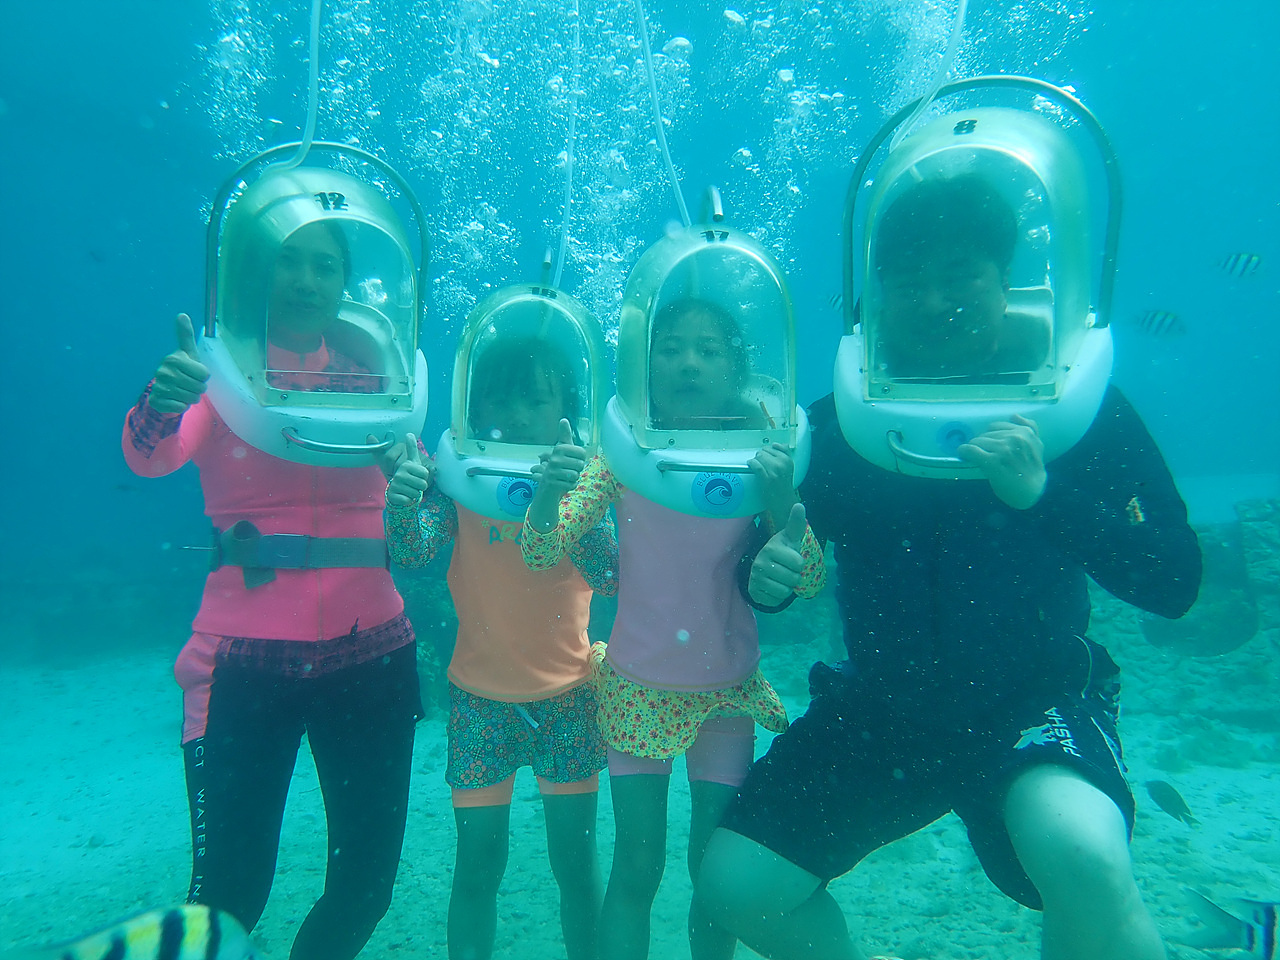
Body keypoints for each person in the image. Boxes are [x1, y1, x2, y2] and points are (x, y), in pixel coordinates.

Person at [696, 175, 1203, 960]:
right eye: (908, 283)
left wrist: (1042, 495)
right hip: (884, 708)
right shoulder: (842, 427)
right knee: (736, 888)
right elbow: (774, 571)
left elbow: (1173, 582)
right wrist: (766, 576)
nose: (934, 302)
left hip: (1034, 696)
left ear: (1008, 281)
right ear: (874, 298)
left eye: (960, 275)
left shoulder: (1077, 412)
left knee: (1084, 858)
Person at [122, 219, 422, 960]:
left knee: (366, 888)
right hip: (241, 662)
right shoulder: (221, 375)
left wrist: (416, 488)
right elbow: (149, 456)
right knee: (229, 895)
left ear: (345, 282)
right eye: (289, 262)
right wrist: (163, 398)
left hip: (375, 654)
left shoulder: (376, 379)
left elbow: (419, 528)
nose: (306, 281)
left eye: (325, 265)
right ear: (257, 272)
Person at [521, 299, 827, 960]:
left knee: (711, 875)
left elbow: (806, 582)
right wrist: (547, 492)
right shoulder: (623, 455)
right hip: (638, 690)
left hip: (727, 692)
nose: (689, 363)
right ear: (643, 368)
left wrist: (782, 497)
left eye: (709, 350)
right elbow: (542, 551)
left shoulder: (762, 456)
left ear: (736, 370)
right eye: (671, 348)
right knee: (638, 867)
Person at [382, 338, 618, 960]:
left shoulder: (585, 485)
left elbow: (610, 575)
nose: (515, 414)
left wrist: (562, 498)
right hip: (478, 703)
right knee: (477, 868)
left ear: (567, 409)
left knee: (576, 867)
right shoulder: (460, 478)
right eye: (498, 399)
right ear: (473, 406)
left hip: (569, 699)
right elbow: (412, 551)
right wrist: (401, 499)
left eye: (535, 400)